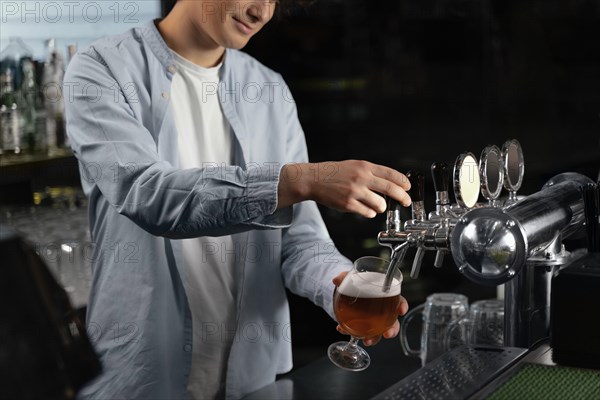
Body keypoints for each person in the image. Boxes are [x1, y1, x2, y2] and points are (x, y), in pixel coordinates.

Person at [64, 0, 411, 399]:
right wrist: (296, 180)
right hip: (143, 377)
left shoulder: (268, 88)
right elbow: (148, 195)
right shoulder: (100, 69)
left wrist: (334, 285)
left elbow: (301, 239)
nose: (262, 11)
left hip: (254, 380)